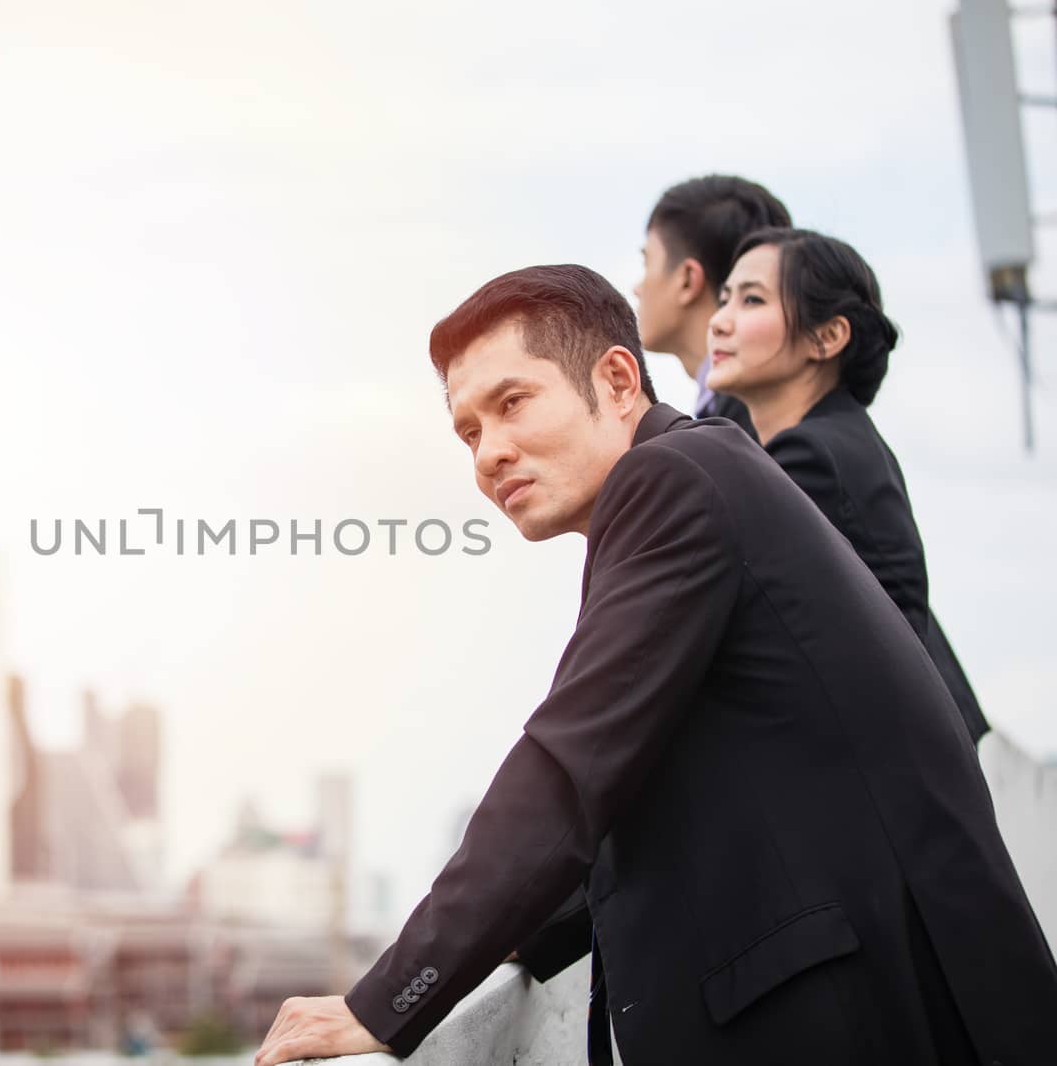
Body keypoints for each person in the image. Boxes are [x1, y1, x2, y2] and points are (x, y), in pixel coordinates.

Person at [253, 264, 1055, 1066]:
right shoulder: (704, 474)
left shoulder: (671, 480)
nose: (490, 453)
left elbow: (566, 770)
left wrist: (386, 1000)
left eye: (512, 403)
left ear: (616, 377)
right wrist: (519, 932)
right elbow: (630, 787)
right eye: (469, 432)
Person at [708, 228, 989, 744]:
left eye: (751, 299)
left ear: (828, 337)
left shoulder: (812, 458)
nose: (720, 321)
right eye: (725, 298)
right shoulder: (830, 441)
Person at [633, 175, 790, 438]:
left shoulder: (747, 424)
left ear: (687, 280)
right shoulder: (743, 411)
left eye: (647, 263)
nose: (637, 288)